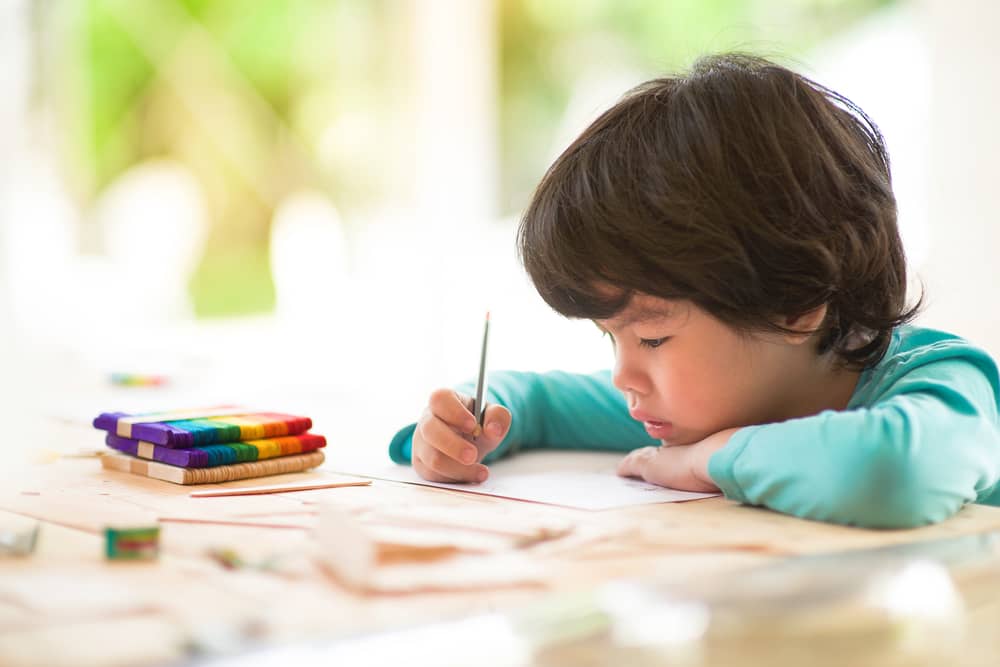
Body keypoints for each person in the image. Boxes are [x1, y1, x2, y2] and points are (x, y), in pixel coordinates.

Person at [387, 53, 1000, 528]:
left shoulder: (941, 381)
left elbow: (890, 474)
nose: (624, 375)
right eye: (611, 337)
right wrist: (464, 418)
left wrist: (706, 461)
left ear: (795, 304)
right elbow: (540, 403)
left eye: (653, 337)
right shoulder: (709, 396)